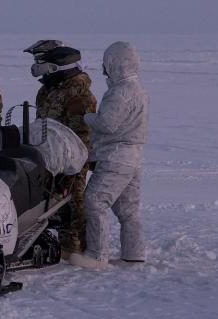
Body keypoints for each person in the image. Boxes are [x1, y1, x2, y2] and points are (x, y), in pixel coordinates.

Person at [69, 41, 149, 269]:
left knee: (94, 201)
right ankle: (134, 254)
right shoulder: (139, 89)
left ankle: (96, 255)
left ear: (116, 64)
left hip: (116, 157)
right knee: (128, 210)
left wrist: (85, 115)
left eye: (106, 65)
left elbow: (107, 124)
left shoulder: (120, 92)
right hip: (133, 157)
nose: (104, 69)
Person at [25, 39, 97, 258]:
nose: (37, 65)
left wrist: (71, 167)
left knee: (73, 200)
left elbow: (82, 136)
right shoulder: (47, 90)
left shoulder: (79, 94)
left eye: (40, 60)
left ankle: (77, 247)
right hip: (47, 155)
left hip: (72, 159)